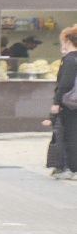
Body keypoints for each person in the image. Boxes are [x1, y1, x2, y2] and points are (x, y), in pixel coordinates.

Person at [44, 25, 77, 180]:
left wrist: (57, 102)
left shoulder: (70, 59)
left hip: (70, 104)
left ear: (68, 40)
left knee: (71, 136)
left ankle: (71, 169)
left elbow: (66, 83)